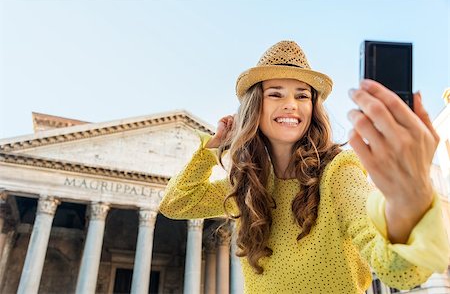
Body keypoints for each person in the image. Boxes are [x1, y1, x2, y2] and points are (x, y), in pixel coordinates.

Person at [159, 40, 449, 293]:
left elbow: (400, 271)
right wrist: (211, 149)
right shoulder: (249, 184)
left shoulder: (339, 172)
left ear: (313, 109)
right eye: (276, 93)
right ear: (254, 107)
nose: (291, 104)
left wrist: (413, 194)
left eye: (302, 95)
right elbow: (175, 203)